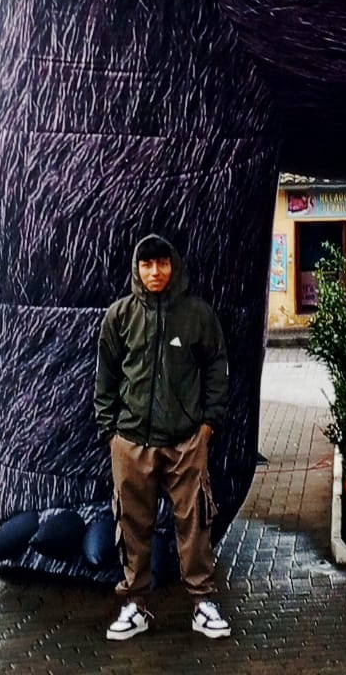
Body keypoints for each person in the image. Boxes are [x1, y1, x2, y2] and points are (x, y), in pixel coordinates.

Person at [95, 233, 231, 642]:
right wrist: (110, 431)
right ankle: (135, 605)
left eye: (162, 264)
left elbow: (217, 369)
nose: (155, 273)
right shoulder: (119, 316)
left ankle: (203, 604)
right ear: (137, 269)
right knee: (133, 525)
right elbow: (106, 375)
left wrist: (207, 425)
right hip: (131, 441)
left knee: (195, 523)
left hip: (186, 442)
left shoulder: (197, 316)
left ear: (174, 267)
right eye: (147, 265)